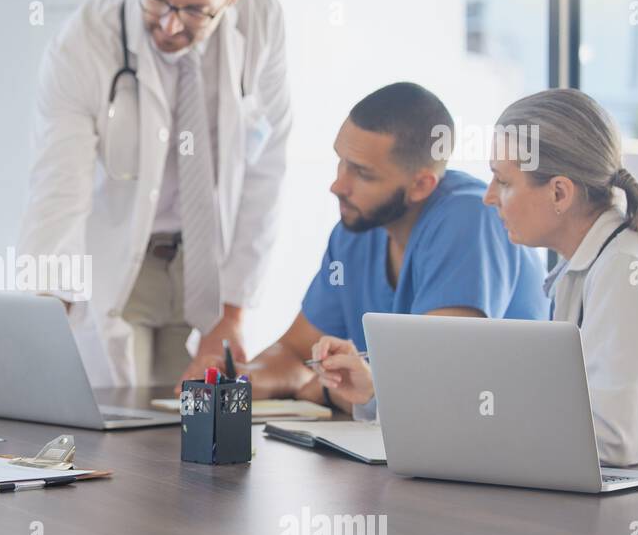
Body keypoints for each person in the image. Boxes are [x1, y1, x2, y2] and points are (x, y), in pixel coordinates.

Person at [313, 88, 638, 470]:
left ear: (559, 193)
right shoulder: (582, 270)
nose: (489, 197)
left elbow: (614, 439)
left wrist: (485, 416)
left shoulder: (628, 272)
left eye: (503, 182)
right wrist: (376, 393)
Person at [16, 0, 291, 388]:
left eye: (194, 10)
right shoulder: (85, 40)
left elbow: (266, 170)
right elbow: (59, 187)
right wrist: (44, 311)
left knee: (191, 420)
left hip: (210, 262)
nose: (169, 24)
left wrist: (233, 313)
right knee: (124, 413)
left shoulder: (262, 23)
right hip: (124, 258)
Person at [200, 82, 549, 407]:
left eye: (362, 173)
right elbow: (296, 354)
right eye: (341, 162)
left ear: (422, 185)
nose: (337, 186)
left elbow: (432, 383)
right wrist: (243, 378)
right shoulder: (357, 229)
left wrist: (325, 389)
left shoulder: (470, 218)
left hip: (498, 435)